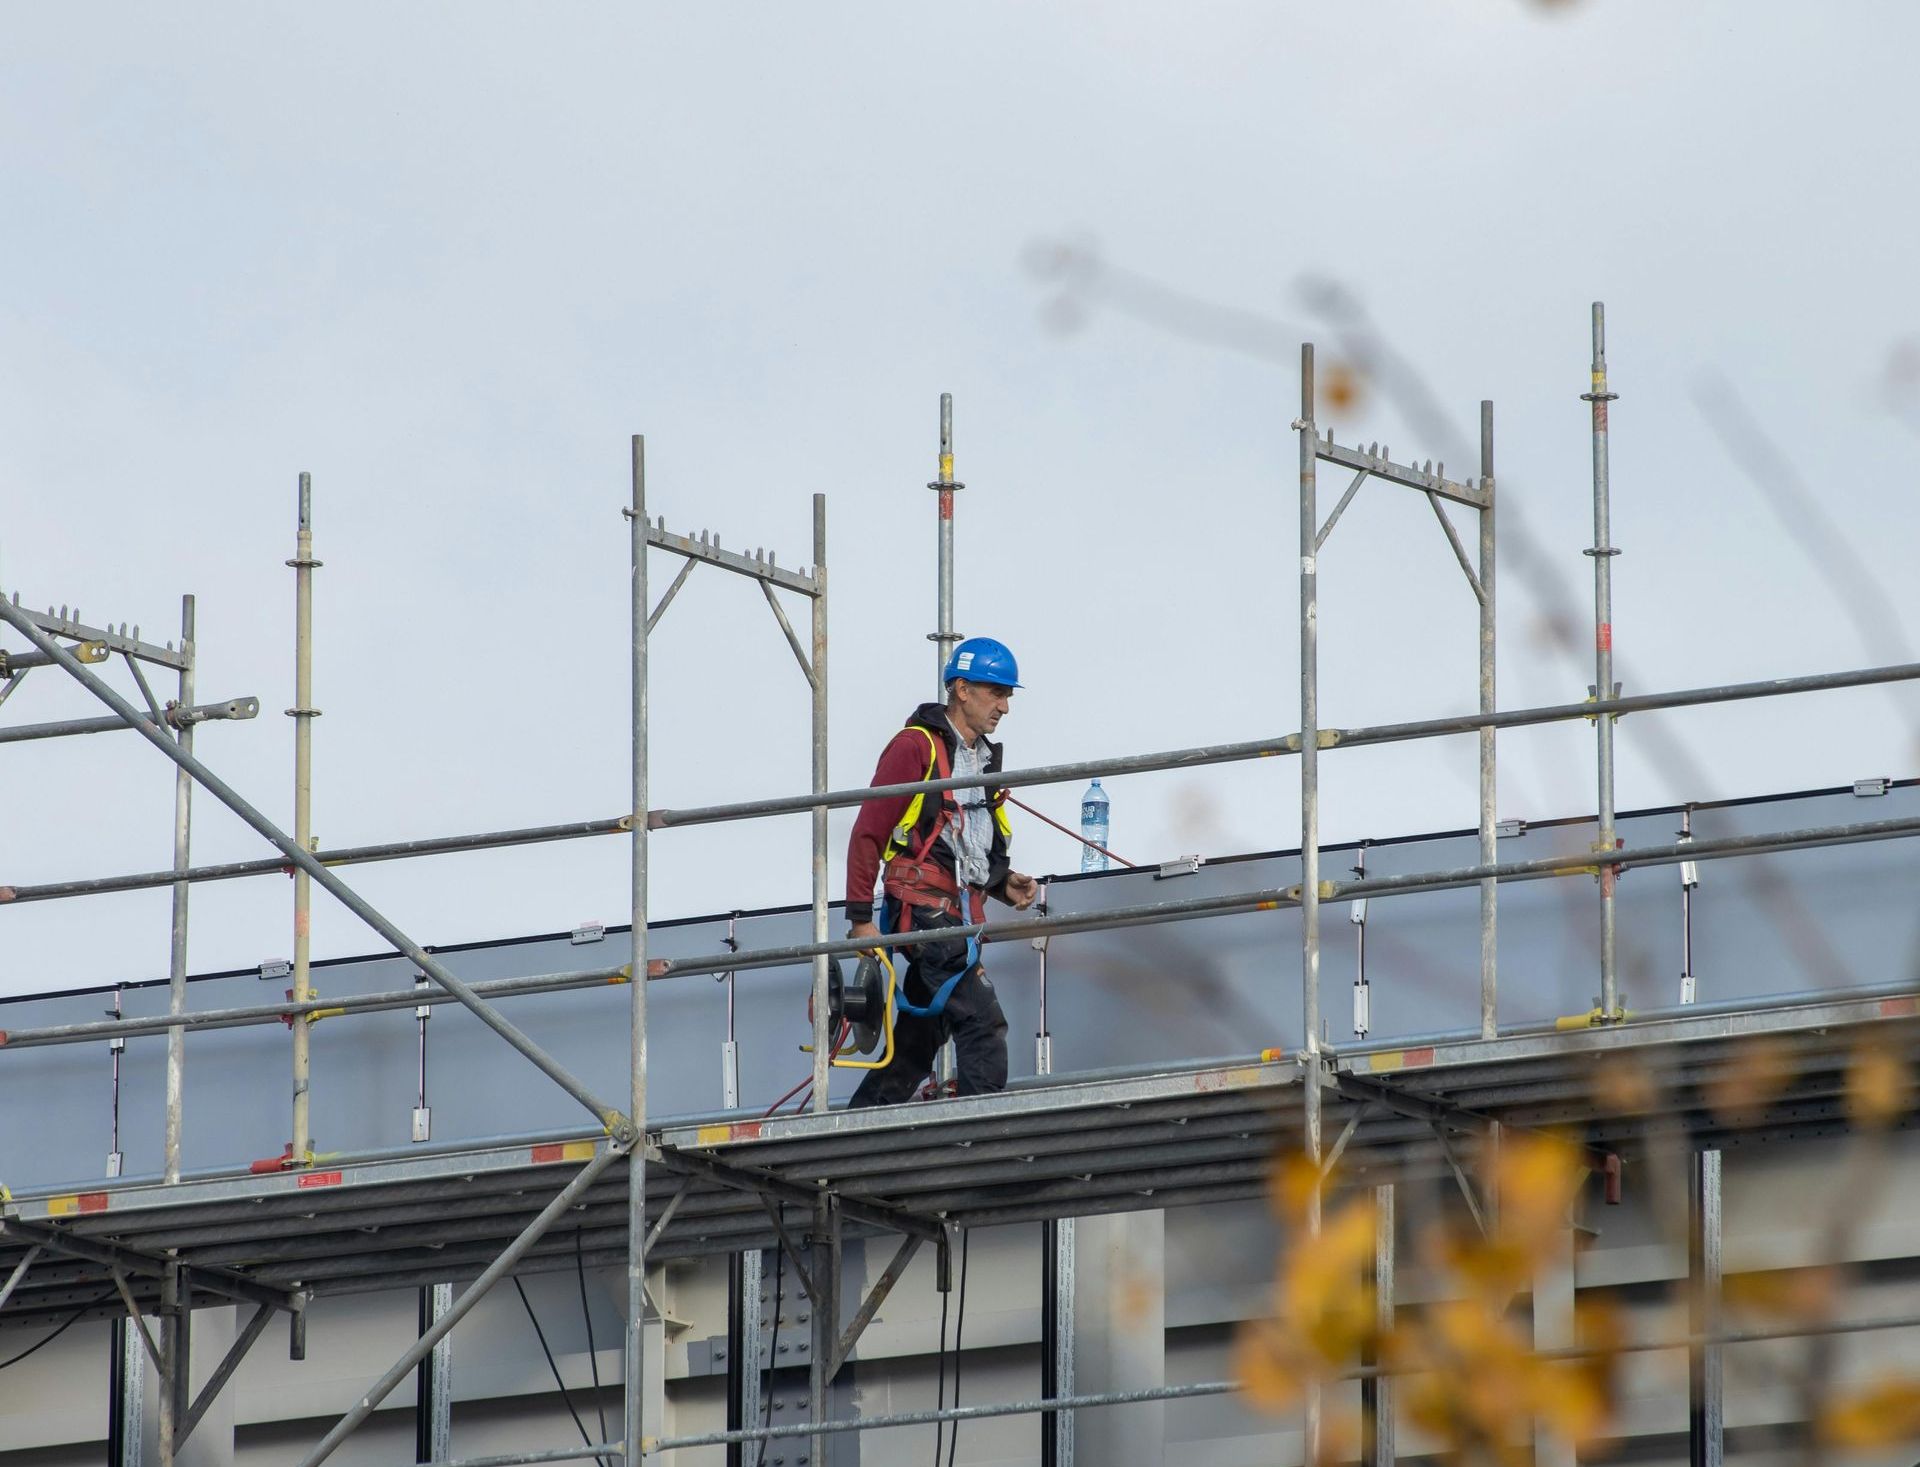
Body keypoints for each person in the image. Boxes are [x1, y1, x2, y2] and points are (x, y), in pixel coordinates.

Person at [845, 636, 1039, 1106]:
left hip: (956, 914)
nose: (1005, 706)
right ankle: (980, 1141)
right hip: (926, 912)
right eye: (996, 692)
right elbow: (868, 831)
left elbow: (964, 843)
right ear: (961, 689)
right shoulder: (916, 748)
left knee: (918, 1038)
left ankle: (860, 1128)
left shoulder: (982, 758)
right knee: (982, 1023)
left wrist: (1000, 883)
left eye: (1008, 694)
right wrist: (860, 920)